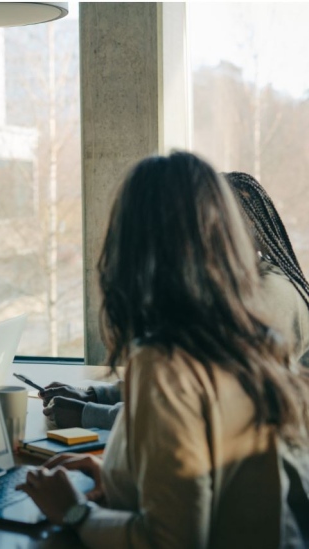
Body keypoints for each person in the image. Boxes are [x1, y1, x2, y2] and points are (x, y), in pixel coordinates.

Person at [18, 152, 309, 546]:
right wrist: (117, 480)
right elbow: (221, 492)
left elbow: (172, 541)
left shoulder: (168, 362)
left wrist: (73, 509)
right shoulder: (248, 342)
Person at [43, 170, 309, 430]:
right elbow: (182, 379)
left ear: (249, 227)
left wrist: (91, 414)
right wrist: (95, 396)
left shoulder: (271, 296)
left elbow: (199, 409)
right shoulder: (235, 288)